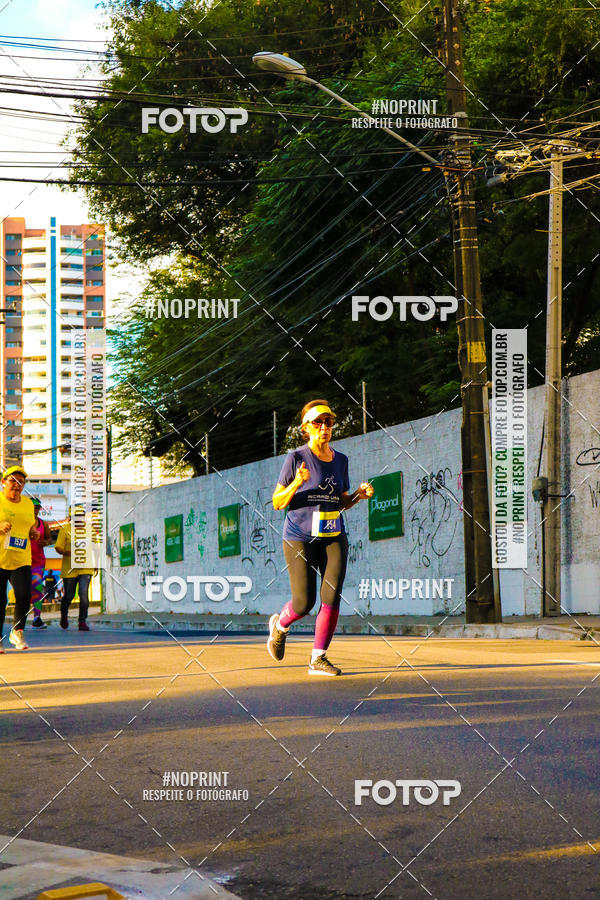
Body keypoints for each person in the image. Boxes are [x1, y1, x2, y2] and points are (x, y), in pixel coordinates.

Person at [268, 400, 373, 676]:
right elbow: (278, 502)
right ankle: (280, 626)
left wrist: (357, 497)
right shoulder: (295, 458)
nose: (324, 427)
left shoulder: (341, 461)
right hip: (299, 537)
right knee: (304, 603)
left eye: (328, 422)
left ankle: (318, 658)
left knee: (332, 595)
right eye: (318, 423)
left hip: (332, 535)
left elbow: (340, 502)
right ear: (307, 428)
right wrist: (296, 483)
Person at [0, 465, 39, 651]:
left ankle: (17, 631)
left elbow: (29, 526)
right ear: (3, 482)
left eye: (21, 482)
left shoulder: (28, 504)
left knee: (24, 595)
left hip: (21, 557)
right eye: (12, 481)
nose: (17, 485)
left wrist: (33, 533)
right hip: (0, 558)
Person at [54, 508, 94, 631]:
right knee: (69, 596)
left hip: (85, 568)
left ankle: (82, 621)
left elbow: (95, 547)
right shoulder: (65, 529)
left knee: (84, 595)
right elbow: (58, 547)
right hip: (69, 569)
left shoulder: (89, 530)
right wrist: (67, 552)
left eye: (81, 516)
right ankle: (64, 616)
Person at [30, 497, 52, 629]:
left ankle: (37, 617)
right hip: (21, 561)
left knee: (37, 588)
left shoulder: (43, 524)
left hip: (38, 562)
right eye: (33, 507)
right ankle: (21, 619)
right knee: (24, 592)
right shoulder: (22, 522)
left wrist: (45, 542)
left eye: (37, 507)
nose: (35, 509)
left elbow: (49, 538)